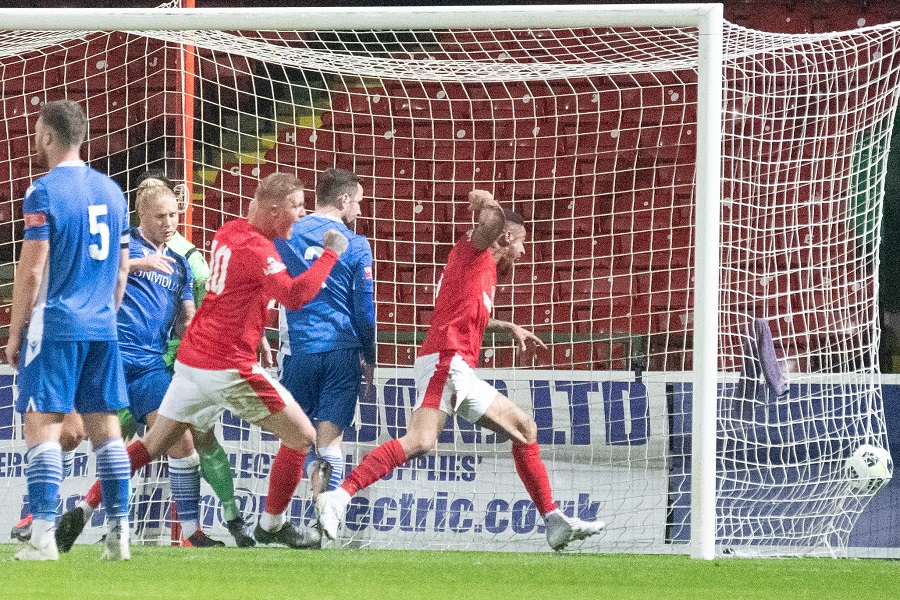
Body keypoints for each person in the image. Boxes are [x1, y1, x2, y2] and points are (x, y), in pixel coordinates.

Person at [57, 172, 348, 550]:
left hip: (192, 360)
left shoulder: (228, 232)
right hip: (226, 365)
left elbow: (240, 290)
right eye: (296, 206)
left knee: (154, 443)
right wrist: (330, 254)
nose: (303, 213)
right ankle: (272, 524)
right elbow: (294, 296)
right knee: (303, 437)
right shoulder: (259, 251)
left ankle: (83, 508)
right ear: (275, 210)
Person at [315, 190, 606, 551]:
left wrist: (507, 327)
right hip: (445, 361)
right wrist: (488, 201)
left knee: (524, 428)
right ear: (508, 238)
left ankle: (553, 520)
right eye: (522, 244)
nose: (524, 253)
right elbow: (493, 223)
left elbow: (464, 309)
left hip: (459, 369)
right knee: (421, 441)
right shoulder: (475, 251)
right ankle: (338, 498)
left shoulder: (484, 273)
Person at [55, 177, 226, 550]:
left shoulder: (180, 263)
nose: (169, 222)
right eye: (160, 216)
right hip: (110, 357)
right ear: (141, 216)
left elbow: (185, 318)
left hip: (149, 364)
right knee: (77, 436)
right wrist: (136, 262)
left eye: (174, 215)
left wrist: (207, 335)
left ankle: (192, 533)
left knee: (180, 440)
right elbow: (85, 276)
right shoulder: (118, 244)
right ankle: (43, 517)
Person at [3, 99, 132, 561]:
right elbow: (121, 272)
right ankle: (119, 535)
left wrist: (16, 331)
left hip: (56, 323)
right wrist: (104, 313)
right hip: (103, 325)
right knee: (107, 431)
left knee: (42, 424)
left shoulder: (43, 192)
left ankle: (42, 536)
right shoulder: (114, 191)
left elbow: (32, 272)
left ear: (47, 136)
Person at [269, 168, 375, 528]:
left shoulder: (287, 233)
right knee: (330, 441)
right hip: (342, 350)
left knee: (298, 440)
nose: (360, 211)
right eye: (358, 202)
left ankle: (278, 519)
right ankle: (323, 522)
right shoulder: (356, 244)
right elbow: (365, 309)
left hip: (298, 351)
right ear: (344, 200)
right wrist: (370, 355)